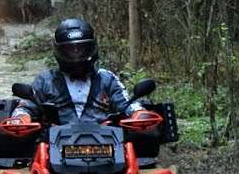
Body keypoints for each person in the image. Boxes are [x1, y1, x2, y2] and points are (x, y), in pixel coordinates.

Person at [10, 18, 145, 125]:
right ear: (61, 50)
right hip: (54, 144)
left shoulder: (106, 78)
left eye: (80, 48)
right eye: (71, 49)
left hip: (105, 142)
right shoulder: (45, 80)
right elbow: (27, 105)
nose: (76, 53)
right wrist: (22, 115)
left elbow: (125, 102)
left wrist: (137, 112)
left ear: (90, 47)